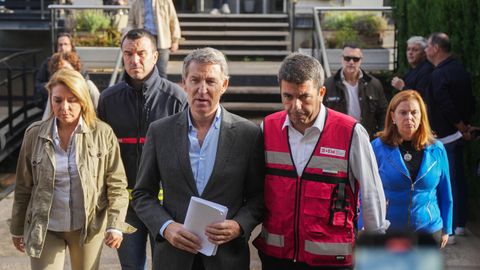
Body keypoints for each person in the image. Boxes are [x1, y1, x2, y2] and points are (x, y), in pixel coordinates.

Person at [131, 47, 265, 270]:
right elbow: (142, 194)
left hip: (226, 259)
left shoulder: (248, 134)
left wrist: (239, 225)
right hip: (174, 257)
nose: (202, 90)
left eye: (211, 81)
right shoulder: (160, 131)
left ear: (224, 85)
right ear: (184, 83)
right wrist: (166, 227)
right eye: (195, 80)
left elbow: (258, 198)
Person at [253, 53, 389, 269]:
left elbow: (371, 192)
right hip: (277, 257)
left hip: (332, 260)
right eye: (287, 96)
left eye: (304, 96)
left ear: (321, 92)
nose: (295, 106)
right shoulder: (267, 129)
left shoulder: (351, 132)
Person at [10, 69, 134, 270]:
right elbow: (23, 186)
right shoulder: (34, 134)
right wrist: (17, 228)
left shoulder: (102, 133)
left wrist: (115, 224)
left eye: (72, 100)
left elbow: (117, 184)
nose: (64, 107)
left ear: (83, 100)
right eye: (57, 100)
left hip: (88, 226)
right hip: (46, 226)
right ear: (50, 99)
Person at [98, 29, 188, 270]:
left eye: (141, 53)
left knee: (167, 266)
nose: (134, 60)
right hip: (126, 207)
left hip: (167, 207)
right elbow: (102, 155)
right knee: (131, 267)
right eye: (128, 53)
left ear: (155, 56)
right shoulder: (108, 100)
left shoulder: (176, 99)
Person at [369, 90, 453, 248]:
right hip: (389, 229)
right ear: (393, 116)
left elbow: (445, 191)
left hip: (429, 229)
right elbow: (366, 191)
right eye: (403, 112)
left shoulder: (437, 149)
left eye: (414, 112)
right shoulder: (376, 148)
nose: (409, 117)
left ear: (422, 116)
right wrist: (363, 226)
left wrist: (447, 228)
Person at [424, 32, 476, 243]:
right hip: (458, 134)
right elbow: (470, 101)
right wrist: (465, 127)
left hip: (447, 136)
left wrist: (461, 127)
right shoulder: (460, 69)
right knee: (458, 180)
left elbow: (445, 104)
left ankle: (451, 230)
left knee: (446, 182)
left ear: (436, 48)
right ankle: (460, 224)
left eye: (428, 46)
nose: (426, 50)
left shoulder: (439, 74)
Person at [324, 43, 388, 139]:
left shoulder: (374, 84)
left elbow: (383, 112)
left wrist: (381, 135)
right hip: (337, 138)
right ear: (341, 59)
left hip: (366, 138)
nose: (351, 62)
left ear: (361, 60)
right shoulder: (328, 84)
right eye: (347, 58)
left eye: (355, 59)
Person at [126, 0, 181, 78]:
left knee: (161, 71)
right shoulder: (136, 2)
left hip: (162, 40)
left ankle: (161, 90)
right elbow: (130, 22)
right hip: (142, 42)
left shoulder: (166, 1)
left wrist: (175, 40)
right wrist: (128, 37)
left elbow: (173, 19)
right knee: (144, 70)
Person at [42, 51, 100, 120]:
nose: (64, 74)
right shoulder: (55, 89)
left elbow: (99, 111)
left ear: (76, 69)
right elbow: (47, 117)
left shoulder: (89, 86)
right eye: (59, 71)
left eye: (66, 70)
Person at [35, 32, 88, 105]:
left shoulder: (78, 63)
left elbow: (85, 83)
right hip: (52, 101)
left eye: (66, 44)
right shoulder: (48, 62)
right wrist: (53, 88)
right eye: (60, 45)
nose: (63, 47)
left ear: (71, 46)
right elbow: (39, 84)